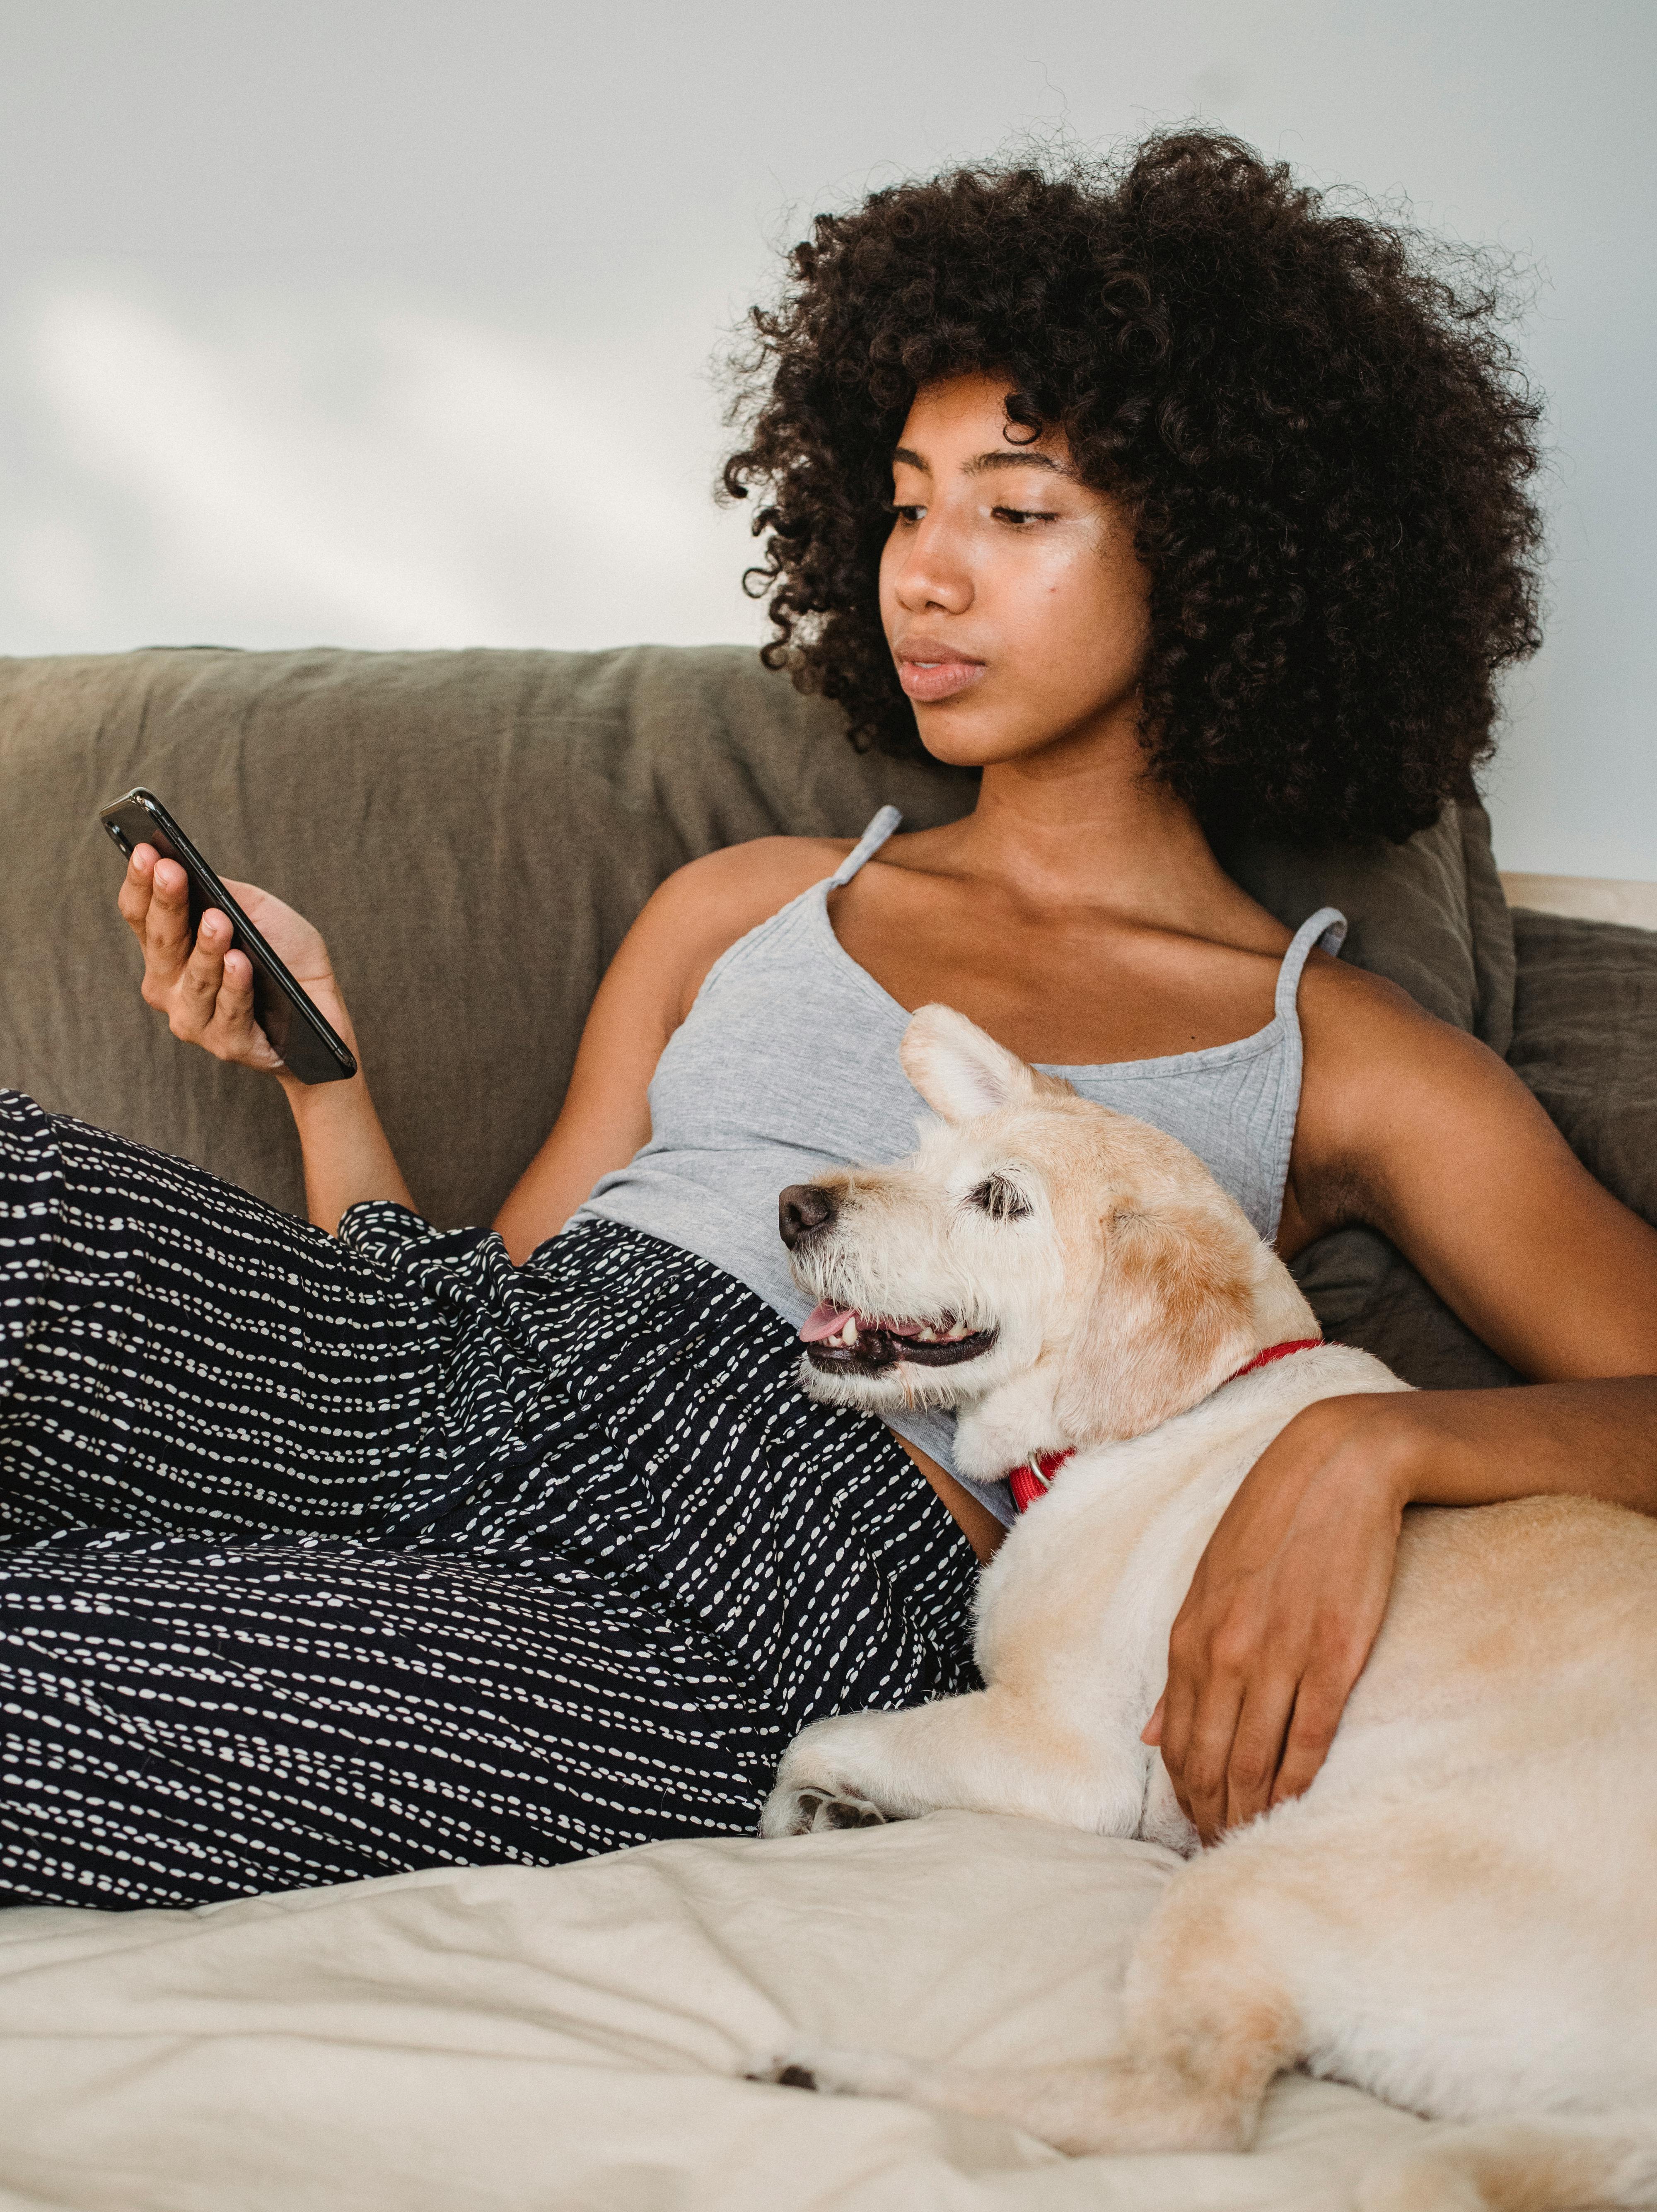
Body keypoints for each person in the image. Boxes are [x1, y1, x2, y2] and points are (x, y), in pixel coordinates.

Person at [3, 133, 1655, 1910]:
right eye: (905, 503)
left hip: (766, 1569)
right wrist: (318, 1078)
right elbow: (482, 1297)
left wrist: (1371, 1442)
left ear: (1220, 554)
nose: (925, 573)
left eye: (1015, 512)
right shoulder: (744, 900)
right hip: (444, 1366)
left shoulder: (1337, 1050)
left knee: (49, 1693)